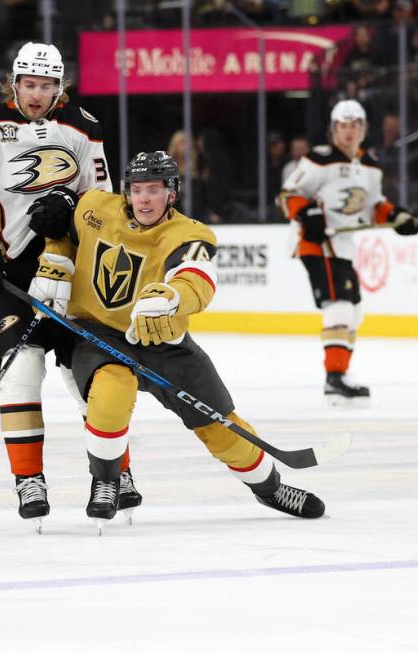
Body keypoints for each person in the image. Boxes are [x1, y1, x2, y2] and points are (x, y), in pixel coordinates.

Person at [27, 151, 327, 526]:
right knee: (110, 391)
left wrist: (171, 297)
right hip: (99, 332)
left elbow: (196, 276)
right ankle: (106, 481)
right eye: (137, 190)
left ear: (172, 192)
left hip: (162, 337)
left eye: (155, 189)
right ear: (126, 192)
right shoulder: (95, 208)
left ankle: (270, 488)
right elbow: (63, 238)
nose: (145, 199)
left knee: (218, 423)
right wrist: (55, 265)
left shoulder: (190, 233)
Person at [0, 42, 138, 527]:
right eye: (29, 84)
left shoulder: (84, 127)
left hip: (71, 271)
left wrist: (72, 212)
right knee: (22, 372)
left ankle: (116, 472)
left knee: (89, 380)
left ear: (59, 87)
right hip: (7, 272)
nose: (37, 94)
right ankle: (29, 479)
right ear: (14, 83)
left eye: (47, 85)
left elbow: (104, 205)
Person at [278, 100, 418, 402]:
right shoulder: (319, 160)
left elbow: (374, 207)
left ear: (364, 128)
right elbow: (288, 195)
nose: (349, 131)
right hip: (316, 244)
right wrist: (308, 215)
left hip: (342, 245)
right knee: (339, 307)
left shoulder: (369, 165)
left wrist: (398, 217)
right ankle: (334, 378)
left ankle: (341, 374)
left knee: (354, 312)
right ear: (334, 129)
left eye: (355, 125)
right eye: (343, 125)